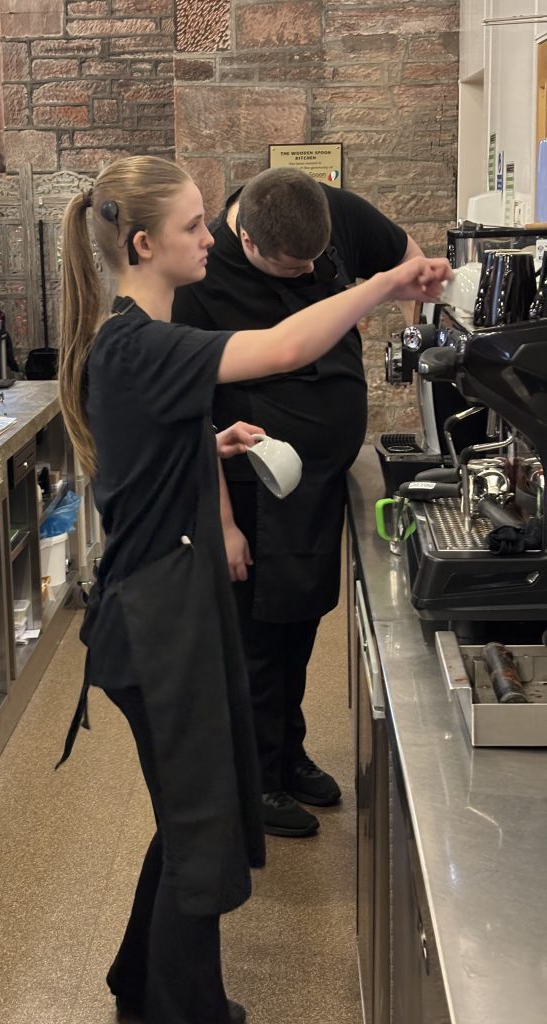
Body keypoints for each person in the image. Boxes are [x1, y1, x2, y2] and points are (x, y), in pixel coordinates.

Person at [56, 155, 449, 1024]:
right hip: (158, 626)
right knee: (204, 834)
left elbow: (155, 447)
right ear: (145, 243)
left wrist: (209, 447)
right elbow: (288, 344)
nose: (211, 237)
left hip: (168, 612)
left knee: (191, 818)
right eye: (197, 226)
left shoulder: (136, 342)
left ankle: (135, 982)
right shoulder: (141, 342)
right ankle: (184, 1010)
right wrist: (386, 284)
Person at [172, 167, 425, 838]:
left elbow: (409, 260)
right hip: (254, 486)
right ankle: (256, 782)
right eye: (294, 269)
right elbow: (192, 421)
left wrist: (415, 340)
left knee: (300, 628)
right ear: (248, 241)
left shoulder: (320, 209)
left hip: (314, 488)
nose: (311, 273)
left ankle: (287, 756)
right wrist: (223, 523)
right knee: (258, 641)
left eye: (317, 264)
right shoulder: (199, 282)